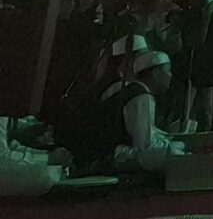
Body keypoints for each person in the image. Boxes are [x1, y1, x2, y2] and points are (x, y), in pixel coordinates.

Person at [67, 47, 189, 175]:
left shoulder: (122, 88)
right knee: (175, 156)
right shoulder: (141, 96)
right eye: (168, 71)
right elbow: (145, 147)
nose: (171, 76)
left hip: (99, 154)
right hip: (111, 158)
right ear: (156, 74)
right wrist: (179, 148)